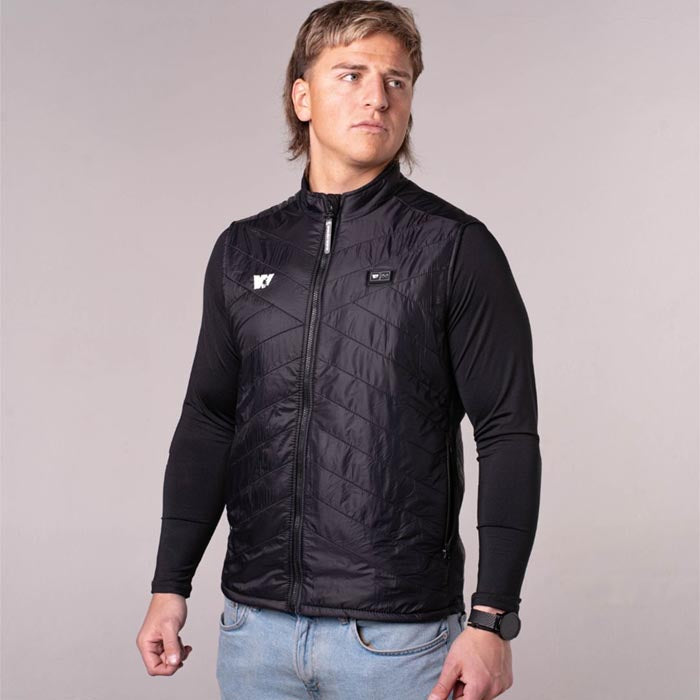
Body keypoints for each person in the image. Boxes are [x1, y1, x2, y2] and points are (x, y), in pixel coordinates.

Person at [135, 2, 542, 698]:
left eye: (396, 81)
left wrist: (492, 618)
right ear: (302, 97)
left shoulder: (453, 247)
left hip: (397, 641)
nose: (377, 97)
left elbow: (507, 432)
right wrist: (169, 585)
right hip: (255, 633)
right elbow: (209, 420)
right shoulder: (244, 250)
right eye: (351, 75)